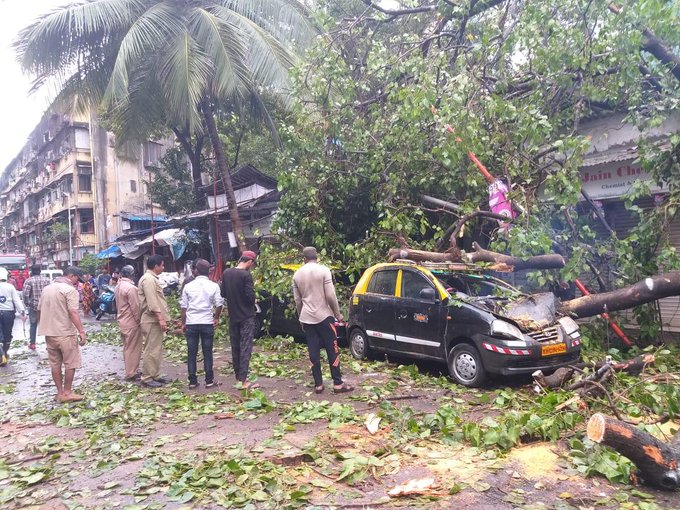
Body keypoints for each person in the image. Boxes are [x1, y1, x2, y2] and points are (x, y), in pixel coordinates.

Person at [292, 247, 353, 394]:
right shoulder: (324, 270)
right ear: (317, 257)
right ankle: (337, 383)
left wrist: (301, 317)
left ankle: (318, 384)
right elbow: (330, 295)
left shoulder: (297, 274)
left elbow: (297, 300)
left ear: (304, 259)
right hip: (324, 316)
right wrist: (337, 314)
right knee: (332, 347)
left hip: (307, 317)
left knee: (313, 349)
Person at [36, 266, 87, 402]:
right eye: (77, 280)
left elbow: (39, 310)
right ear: (72, 276)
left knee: (55, 364)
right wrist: (81, 331)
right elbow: (73, 312)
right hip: (65, 333)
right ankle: (67, 392)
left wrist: (42, 325)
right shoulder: (70, 290)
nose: (77, 283)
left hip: (49, 334)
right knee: (71, 363)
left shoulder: (46, 289)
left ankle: (59, 392)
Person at [180, 259, 223, 389]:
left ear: (196, 271)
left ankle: (192, 381)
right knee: (207, 352)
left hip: (191, 323)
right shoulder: (214, 286)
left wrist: (183, 323)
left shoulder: (188, 286)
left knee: (191, 352)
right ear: (209, 271)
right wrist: (216, 317)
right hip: (207, 322)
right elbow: (219, 304)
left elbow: (183, 307)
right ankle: (209, 380)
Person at [221, 250, 258, 388]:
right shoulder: (245, 275)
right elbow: (250, 296)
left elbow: (223, 293)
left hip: (233, 316)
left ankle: (238, 377)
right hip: (246, 316)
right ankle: (244, 381)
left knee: (235, 346)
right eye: (252, 264)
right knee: (245, 347)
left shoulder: (227, 273)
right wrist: (254, 299)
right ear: (249, 262)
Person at [138, 255, 170, 388]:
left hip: (154, 320)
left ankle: (154, 374)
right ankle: (147, 377)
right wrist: (161, 319)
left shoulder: (151, 278)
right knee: (151, 349)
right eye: (162, 265)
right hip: (151, 320)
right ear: (156, 266)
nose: (163, 268)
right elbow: (152, 301)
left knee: (156, 348)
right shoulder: (149, 280)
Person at [115, 265, 142, 382]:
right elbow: (136, 308)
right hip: (131, 322)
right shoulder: (131, 288)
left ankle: (130, 370)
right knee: (133, 348)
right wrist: (140, 321)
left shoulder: (118, 286)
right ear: (132, 274)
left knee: (127, 347)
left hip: (122, 320)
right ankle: (131, 372)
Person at [0, 267, 27, 365]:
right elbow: (16, 300)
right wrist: (22, 312)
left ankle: (1, 354)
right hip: (8, 313)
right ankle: (4, 353)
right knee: (7, 335)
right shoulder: (10, 287)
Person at [22, 264, 51, 350]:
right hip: (46, 306)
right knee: (47, 324)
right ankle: (49, 344)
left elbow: (25, 294)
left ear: (31, 271)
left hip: (34, 306)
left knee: (33, 324)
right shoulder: (47, 280)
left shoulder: (29, 281)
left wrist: (27, 304)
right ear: (40, 271)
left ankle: (33, 344)